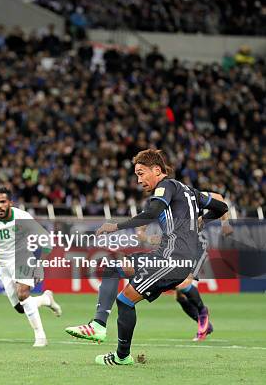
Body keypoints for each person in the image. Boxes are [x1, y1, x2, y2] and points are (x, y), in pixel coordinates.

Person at [64, 149, 228, 365]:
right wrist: (204, 220)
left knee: (124, 296)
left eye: (141, 173)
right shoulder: (190, 192)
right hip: (170, 256)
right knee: (116, 274)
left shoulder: (166, 186)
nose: (139, 179)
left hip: (172, 259)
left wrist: (116, 226)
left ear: (157, 170)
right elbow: (221, 206)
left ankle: (110, 341)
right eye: (136, 175)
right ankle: (105, 334)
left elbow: (152, 212)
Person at [137, 191, 233, 341]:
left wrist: (225, 223)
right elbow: (140, 232)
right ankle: (205, 325)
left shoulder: (185, 195)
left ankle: (203, 313)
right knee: (180, 296)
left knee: (184, 283)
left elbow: (219, 198)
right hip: (175, 248)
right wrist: (149, 238)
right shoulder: (154, 204)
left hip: (196, 244)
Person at [0, 187, 61, 347]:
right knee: (21, 307)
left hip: (22, 256)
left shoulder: (22, 217)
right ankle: (46, 299)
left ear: (10, 203)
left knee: (23, 294)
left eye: (2, 202)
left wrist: (40, 264)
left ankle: (40, 336)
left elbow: (47, 240)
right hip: (2, 264)